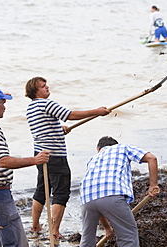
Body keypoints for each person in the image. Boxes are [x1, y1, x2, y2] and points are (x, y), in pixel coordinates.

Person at [25, 77, 111, 240]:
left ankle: (35, 226)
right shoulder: (46, 104)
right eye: (43, 87)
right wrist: (96, 112)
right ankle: (55, 230)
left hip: (41, 155)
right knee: (61, 192)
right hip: (56, 156)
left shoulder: (31, 108)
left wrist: (59, 129)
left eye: (46, 85)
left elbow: (43, 127)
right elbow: (70, 115)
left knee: (42, 190)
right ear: (36, 92)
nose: (47, 88)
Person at [0, 87, 50, 247]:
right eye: (3, 103)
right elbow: (3, 161)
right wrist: (35, 160)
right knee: (15, 243)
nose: (5, 107)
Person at [79, 136, 160, 247]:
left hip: (86, 199)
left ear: (98, 149)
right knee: (128, 237)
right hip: (112, 194)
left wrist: (107, 228)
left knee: (86, 241)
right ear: (115, 145)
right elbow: (152, 158)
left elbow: (97, 200)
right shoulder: (123, 148)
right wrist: (153, 185)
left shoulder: (93, 159)